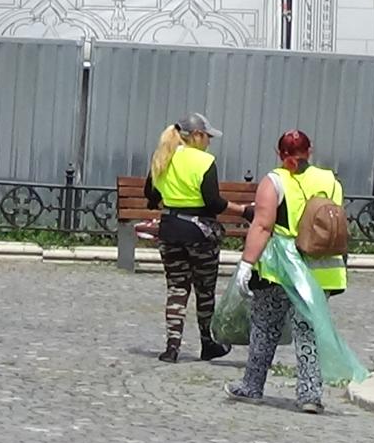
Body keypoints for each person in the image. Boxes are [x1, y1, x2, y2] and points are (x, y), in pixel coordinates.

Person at [224, 130, 347, 414]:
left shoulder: (275, 181)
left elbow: (262, 226)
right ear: (310, 150)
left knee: (265, 326)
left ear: (279, 153)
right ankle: (310, 395)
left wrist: (246, 265)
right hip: (320, 269)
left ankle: (252, 386)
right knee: (309, 330)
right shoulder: (330, 180)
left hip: (280, 268)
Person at [144, 113, 249, 364]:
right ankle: (207, 343)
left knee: (176, 289)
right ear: (197, 136)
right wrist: (243, 210)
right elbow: (213, 202)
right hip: (200, 233)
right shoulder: (204, 161)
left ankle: (172, 347)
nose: (209, 142)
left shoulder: (164, 156)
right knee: (205, 291)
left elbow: (150, 192)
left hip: (170, 230)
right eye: (208, 136)